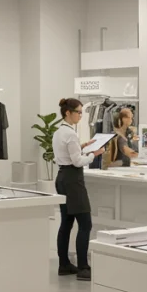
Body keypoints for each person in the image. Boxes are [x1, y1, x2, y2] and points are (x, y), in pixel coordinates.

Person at [54, 98, 96, 280]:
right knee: (85, 223)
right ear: (68, 113)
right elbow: (77, 161)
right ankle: (83, 268)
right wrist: (94, 154)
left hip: (62, 178)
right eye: (78, 112)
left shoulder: (59, 132)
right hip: (73, 179)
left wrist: (83, 147)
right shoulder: (71, 134)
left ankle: (63, 264)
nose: (80, 115)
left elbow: (67, 153)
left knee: (66, 223)